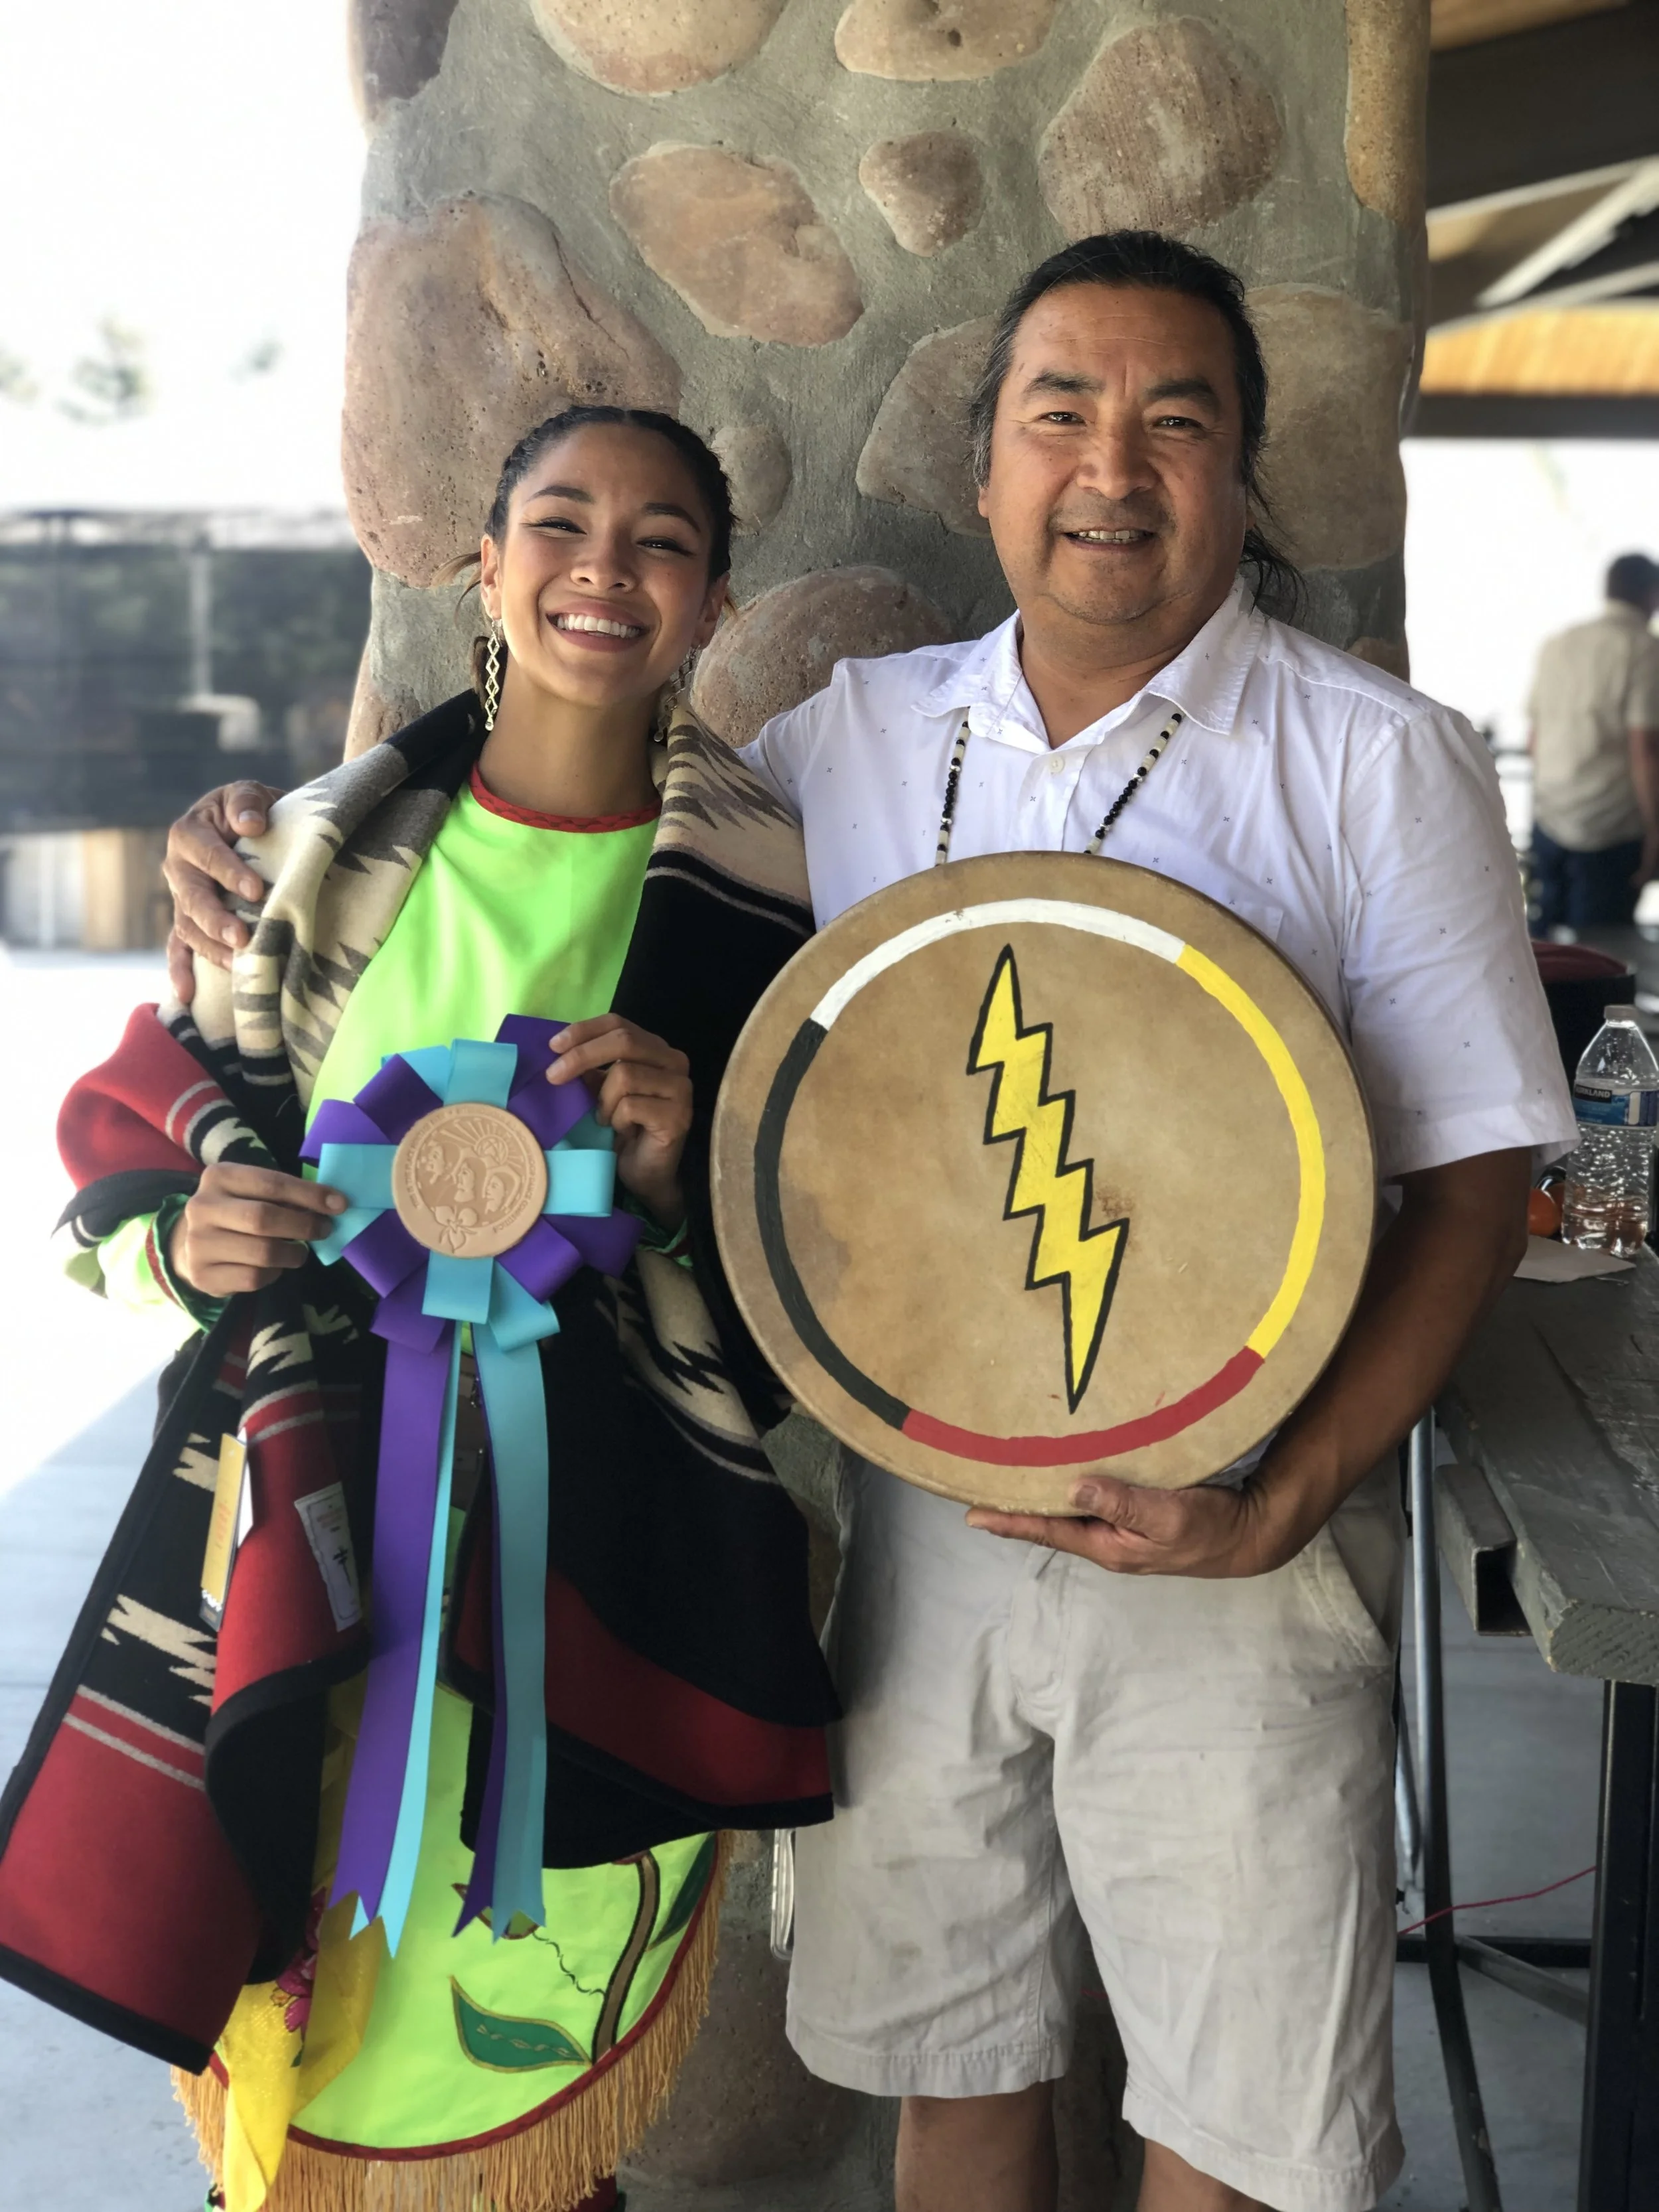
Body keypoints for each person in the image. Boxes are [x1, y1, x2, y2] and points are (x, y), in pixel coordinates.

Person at [161, 233, 1577, 2212]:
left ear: (1239, 474)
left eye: (1176, 421)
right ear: (982, 466)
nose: (1111, 466)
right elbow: (534, 842)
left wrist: (1284, 1493)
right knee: (949, 2062)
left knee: (1240, 2124)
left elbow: (1474, 1188)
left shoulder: (1373, 757)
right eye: (1056, 413)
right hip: (912, 1526)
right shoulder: (840, 749)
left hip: (1239, 1535)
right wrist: (267, 844)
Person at [1, 407, 839, 2212]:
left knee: (512, 2012)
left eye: (660, 540)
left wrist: (695, 1172)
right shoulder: (312, 851)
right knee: (305, 2008)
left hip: (590, 1558)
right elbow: (151, 1121)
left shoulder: (769, 899)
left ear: (711, 600)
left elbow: (823, 1264)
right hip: (310, 1528)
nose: (602, 570)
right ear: (484, 564)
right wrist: (182, 1239)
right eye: (558, 521)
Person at [1528, 550, 1659, 934]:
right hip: (1609, 828)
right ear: (1651, 595)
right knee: (1599, 957)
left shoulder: (1559, 643)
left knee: (1544, 952)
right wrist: (1655, 832)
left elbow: (1535, 737)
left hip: (1550, 817)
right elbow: (1645, 751)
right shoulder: (1645, 650)